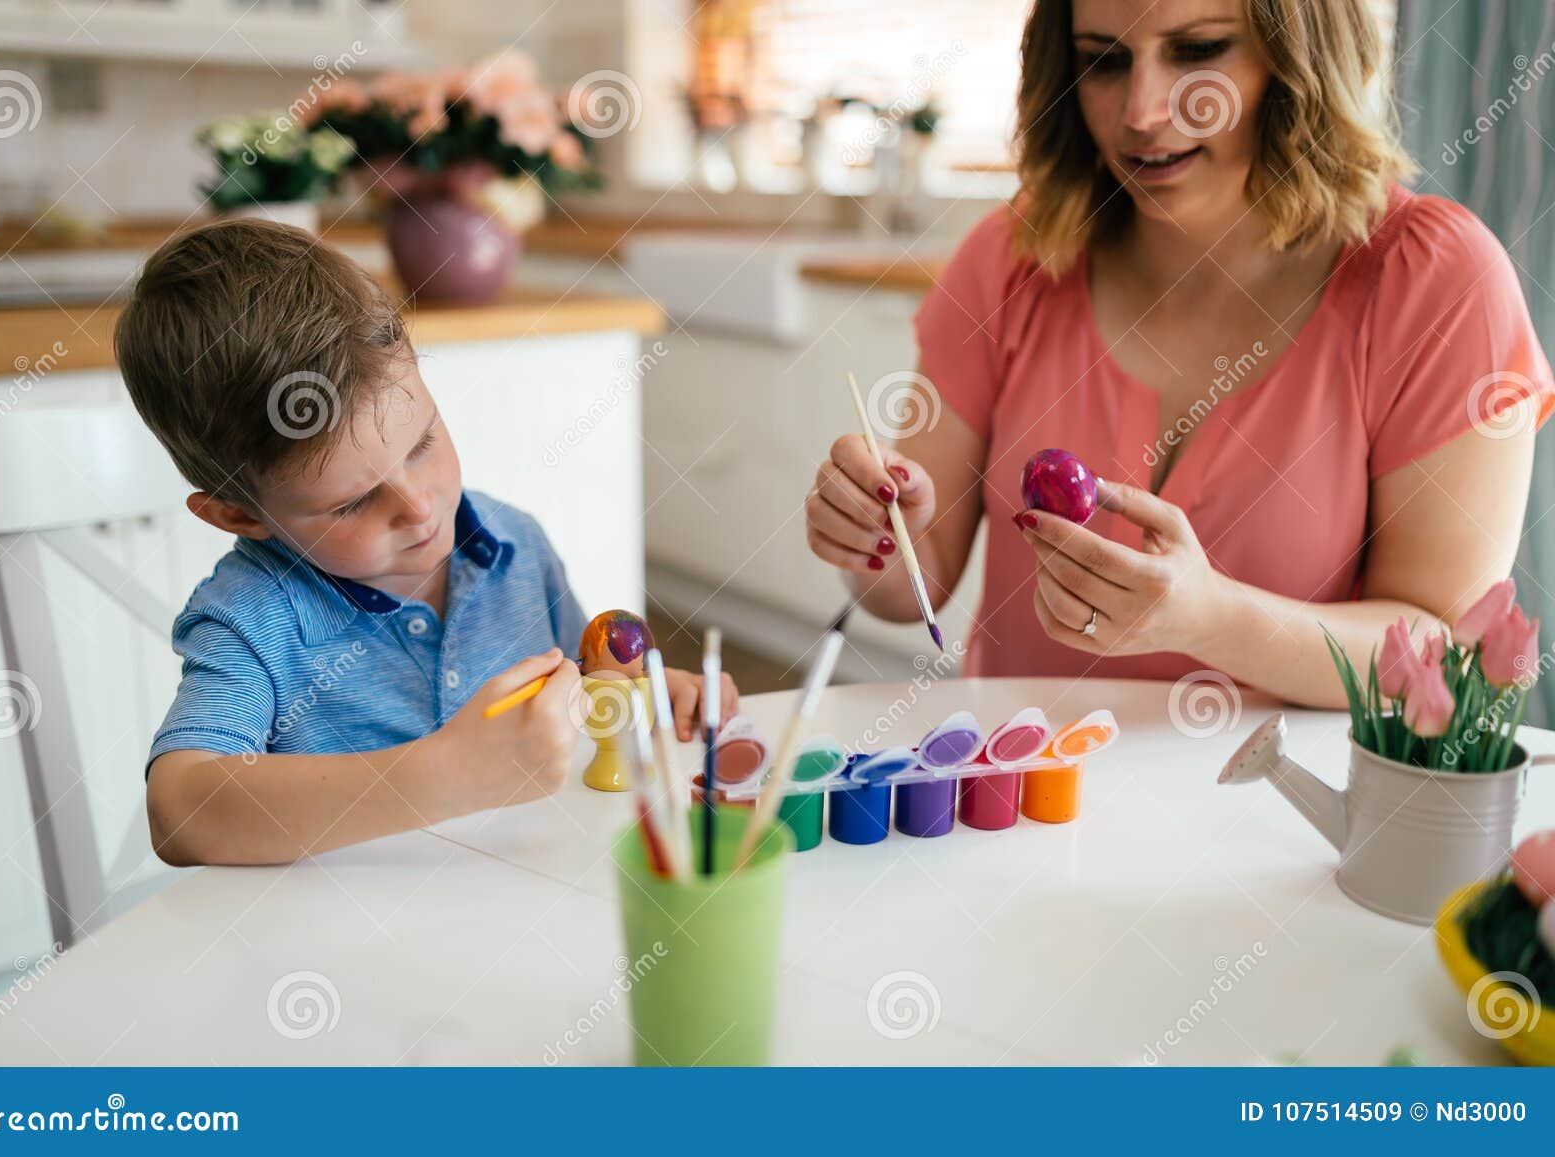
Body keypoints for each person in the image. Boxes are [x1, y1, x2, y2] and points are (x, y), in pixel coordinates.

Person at [805, 0, 1553, 706]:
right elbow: (914, 587)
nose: (1142, 113)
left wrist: (1211, 618)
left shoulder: (1437, 284)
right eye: (1103, 60)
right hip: (1022, 813)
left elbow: (1440, 652)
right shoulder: (1012, 259)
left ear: (1301, 54)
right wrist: (872, 538)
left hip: (1287, 825)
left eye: (1198, 50)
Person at [117, 220, 735, 865]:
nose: (419, 507)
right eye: (352, 502)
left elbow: (581, 689)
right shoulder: (253, 619)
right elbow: (180, 813)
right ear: (241, 517)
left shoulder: (514, 543)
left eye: (421, 445)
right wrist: (443, 774)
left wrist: (643, 698)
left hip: (533, 902)